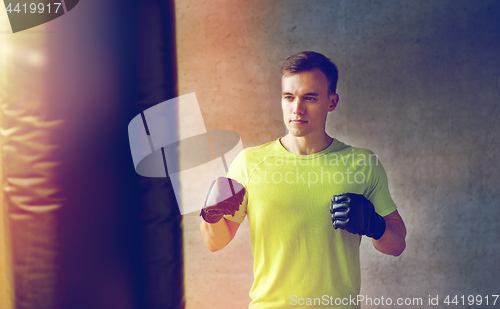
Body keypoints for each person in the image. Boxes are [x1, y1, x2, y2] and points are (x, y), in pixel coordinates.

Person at [200, 51, 406, 309]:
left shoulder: (362, 164)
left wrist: (376, 226)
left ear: (332, 102)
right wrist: (211, 215)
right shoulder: (249, 163)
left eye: (310, 98)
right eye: (289, 97)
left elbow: (397, 244)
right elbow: (214, 242)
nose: (297, 109)